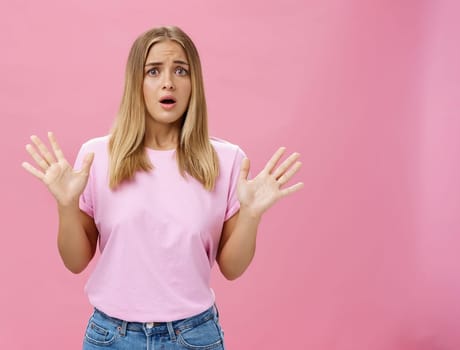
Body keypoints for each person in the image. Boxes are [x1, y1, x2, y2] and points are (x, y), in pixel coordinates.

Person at [21, 26, 303, 349]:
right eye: (153, 71)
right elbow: (75, 261)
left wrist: (251, 215)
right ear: (136, 83)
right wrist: (66, 206)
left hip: (194, 337)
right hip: (111, 337)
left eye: (180, 70)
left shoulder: (227, 161)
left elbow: (232, 268)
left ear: (193, 83)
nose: (168, 81)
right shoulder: (96, 157)